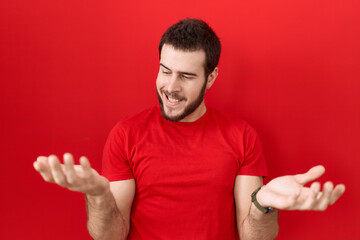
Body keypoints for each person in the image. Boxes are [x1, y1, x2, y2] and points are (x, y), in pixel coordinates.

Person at [33, 18, 346, 240]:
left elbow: (254, 237)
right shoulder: (126, 134)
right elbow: (111, 236)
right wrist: (99, 196)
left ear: (210, 78)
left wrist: (262, 203)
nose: (170, 87)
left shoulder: (242, 136)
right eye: (164, 70)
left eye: (186, 76)